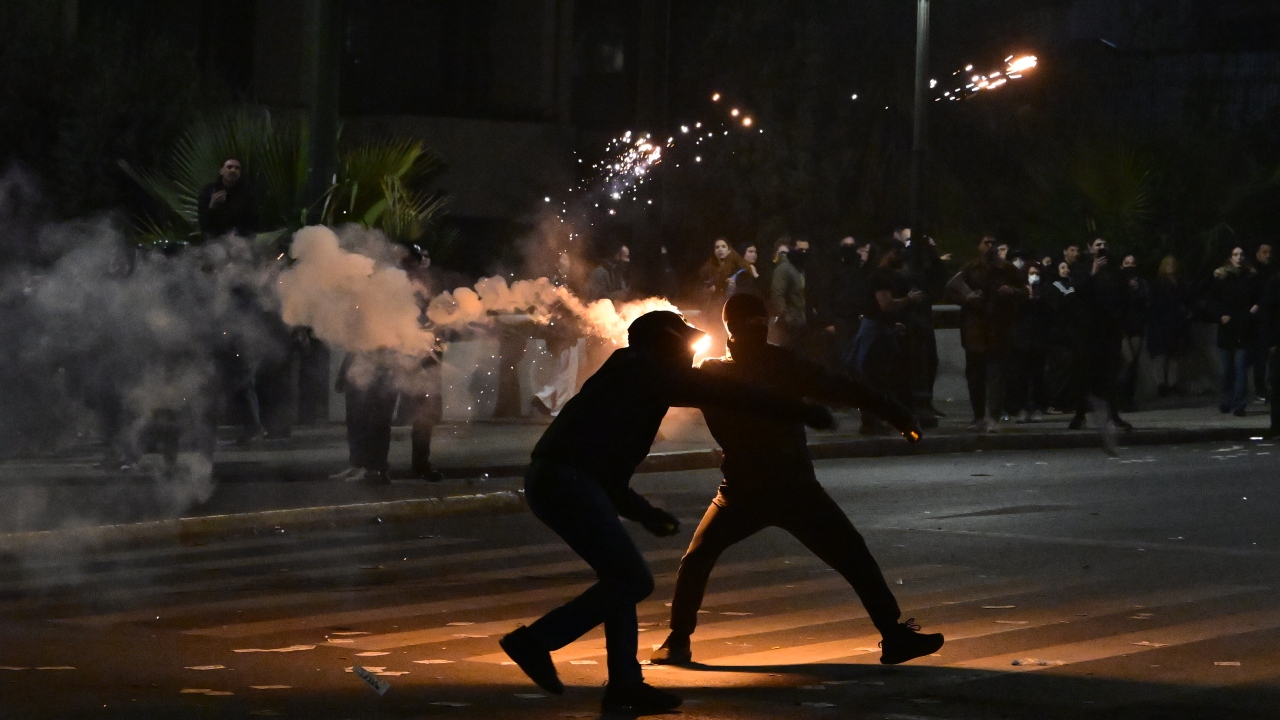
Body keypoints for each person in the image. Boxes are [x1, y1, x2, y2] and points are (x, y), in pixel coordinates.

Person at [499, 310, 835, 714]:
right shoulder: (646, 370)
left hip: (564, 480)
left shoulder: (633, 374)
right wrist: (799, 411)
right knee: (632, 580)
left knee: (618, 582)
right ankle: (536, 641)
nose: (691, 357)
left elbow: (609, 471)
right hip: (566, 481)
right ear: (666, 344)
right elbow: (727, 392)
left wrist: (644, 512)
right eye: (686, 346)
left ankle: (625, 684)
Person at [648, 293, 941, 667]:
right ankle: (893, 634)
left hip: (746, 488)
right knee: (853, 555)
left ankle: (677, 640)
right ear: (763, 325)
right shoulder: (777, 365)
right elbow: (847, 388)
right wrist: (900, 416)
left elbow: (663, 385)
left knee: (698, 559)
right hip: (789, 486)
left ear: (728, 329)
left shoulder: (713, 371)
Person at [330, 249, 445, 483]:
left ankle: (397, 467)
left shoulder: (421, 290)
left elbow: (432, 325)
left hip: (415, 360)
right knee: (368, 414)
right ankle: (364, 464)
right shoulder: (384, 286)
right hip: (382, 358)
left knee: (419, 417)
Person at [947, 235, 1024, 431]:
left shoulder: (1007, 269)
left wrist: (1012, 292)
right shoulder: (970, 268)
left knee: (996, 375)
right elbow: (952, 291)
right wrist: (968, 298)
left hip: (998, 329)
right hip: (975, 329)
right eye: (986, 243)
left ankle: (993, 417)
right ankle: (979, 416)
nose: (990, 247)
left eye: (993, 243)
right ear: (979, 246)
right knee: (975, 375)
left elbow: (1025, 290)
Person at [849, 241, 923, 434]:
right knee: (876, 379)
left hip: (879, 330)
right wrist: (909, 299)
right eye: (897, 251)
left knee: (876, 379)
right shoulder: (881, 276)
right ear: (887, 252)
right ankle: (871, 422)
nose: (900, 256)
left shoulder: (878, 275)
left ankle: (872, 420)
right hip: (876, 335)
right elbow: (886, 305)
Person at [1068, 238, 1132, 431]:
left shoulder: (1114, 271)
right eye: (1097, 245)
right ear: (1089, 249)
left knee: (1110, 374)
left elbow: (1123, 297)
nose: (1102, 247)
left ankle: (1113, 415)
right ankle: (1080, 414)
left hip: (1109, 330)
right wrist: (1093, 272)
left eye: (1104, 244)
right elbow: (1076, 292)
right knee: (1083, 373)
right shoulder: (1081, 269)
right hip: (1087, 330)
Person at [1207, 246, 1263, 417]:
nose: (1239, 258)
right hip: (1228, 326)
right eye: (1235, 254)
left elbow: (1260, 297)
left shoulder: (1251, 276)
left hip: (1244, 326)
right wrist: (1221, 315)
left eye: (1241, 255)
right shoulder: (1222, 277)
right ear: (1230, 257)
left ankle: (1239, 403)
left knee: (1241, 367)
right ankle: (1227, 399)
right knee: (1227, 369)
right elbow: (1212, 300)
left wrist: (1253, 311)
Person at [1007, 261, 1050, 422]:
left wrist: (1038, 298)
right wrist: (1025, 296)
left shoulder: (1045, 289)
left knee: (1038, 376)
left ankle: (1038, 407)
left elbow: (1049, 309)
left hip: (1039, 340)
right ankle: (1021, 408)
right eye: (1031, 273)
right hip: (1022, 340)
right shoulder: (1020, 290)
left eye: (1037, 273)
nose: (1034, 276)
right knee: (1021, 376)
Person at [1146, 256, 1191, 397]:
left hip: (1177, 324)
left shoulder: (1181, 282)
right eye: (1168, 264)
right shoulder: (1158, 283)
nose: (1170, 266)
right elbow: (1154, 304)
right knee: (1161, 356)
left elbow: (1187, 299)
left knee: (1174, 355)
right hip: (1161, 323)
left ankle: (1172, 384)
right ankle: (1161, 384)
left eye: (1173, 263)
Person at [1117, 255, 1150, 412]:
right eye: (1127, 263)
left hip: (1137, 326)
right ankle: (1121, 398)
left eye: (1133, 262)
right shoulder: (1118, 281)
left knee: (1133, 364)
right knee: (1128, 361)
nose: (1130, 265)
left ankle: (1129, 398)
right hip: (1122, 327)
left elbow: (1146, 301)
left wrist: (1136, 290)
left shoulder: (1141, 282)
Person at [197, 158, 257, 240]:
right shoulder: (209, 190)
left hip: (240, 238)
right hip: (214, 239)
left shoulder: (247, 192)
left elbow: (252, 220)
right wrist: (212, 206)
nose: (233, 170)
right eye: (229, 167)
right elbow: (204, 224)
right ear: (221, 171)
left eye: (237, 168)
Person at [771, 236, 810, 349]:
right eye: (800, 250)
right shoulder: (784, 268)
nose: (804, 253)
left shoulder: (800, 268)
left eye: (806, 250)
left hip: (799, 323)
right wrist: (786, 317)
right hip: (789, 326)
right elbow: (777, 293)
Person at [1251, 242, 1274, 402]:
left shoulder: (1270, 272)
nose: (1268, 255)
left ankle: (1267, 387)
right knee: (1260, 356)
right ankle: (1260, 389)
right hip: (1259, 322)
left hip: (1270, 319)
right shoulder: (1254, 273)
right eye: (1264, 252)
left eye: (1269, 252)